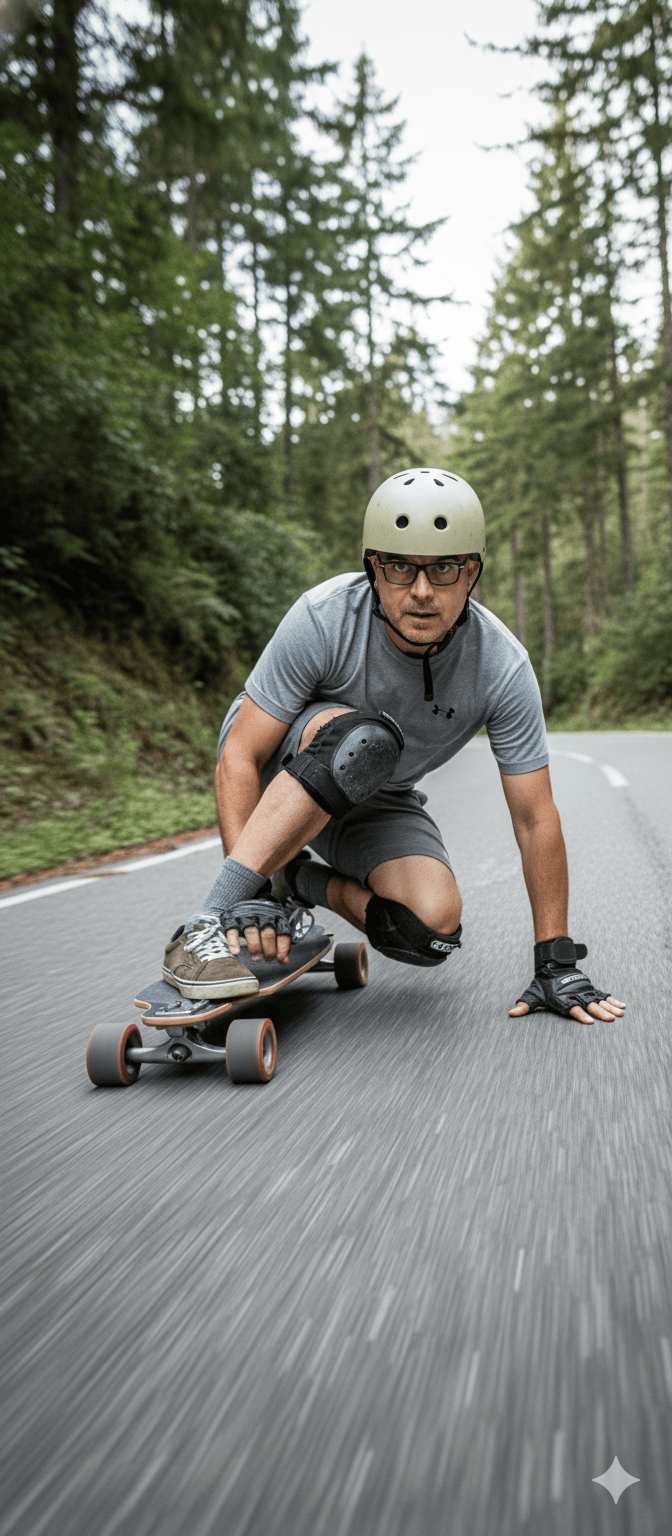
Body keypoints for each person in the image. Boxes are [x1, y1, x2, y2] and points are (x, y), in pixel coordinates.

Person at [163, 467, 625, 1027]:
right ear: (373, 570)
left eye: (445, 568)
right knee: (363, 741)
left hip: (374, 793)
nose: (422, 591)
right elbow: (240, 755)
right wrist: (243, 900)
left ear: (472, 573)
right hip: (276, 771)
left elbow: (535, 817)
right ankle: (203, 926)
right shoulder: (323, 616)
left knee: (429, 931)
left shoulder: (502, 667)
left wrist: (554, 959)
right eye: (400, 567)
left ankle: (299, 881)